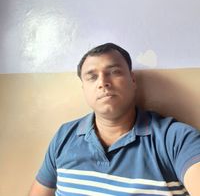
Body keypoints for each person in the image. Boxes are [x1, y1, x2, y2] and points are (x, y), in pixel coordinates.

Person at [29, 43, 200, 196]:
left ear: (132, 80)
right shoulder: (64, 136)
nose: (103, 82)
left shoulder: (177, 139)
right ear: (84, 89)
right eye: (92, 77)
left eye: (114, 72)